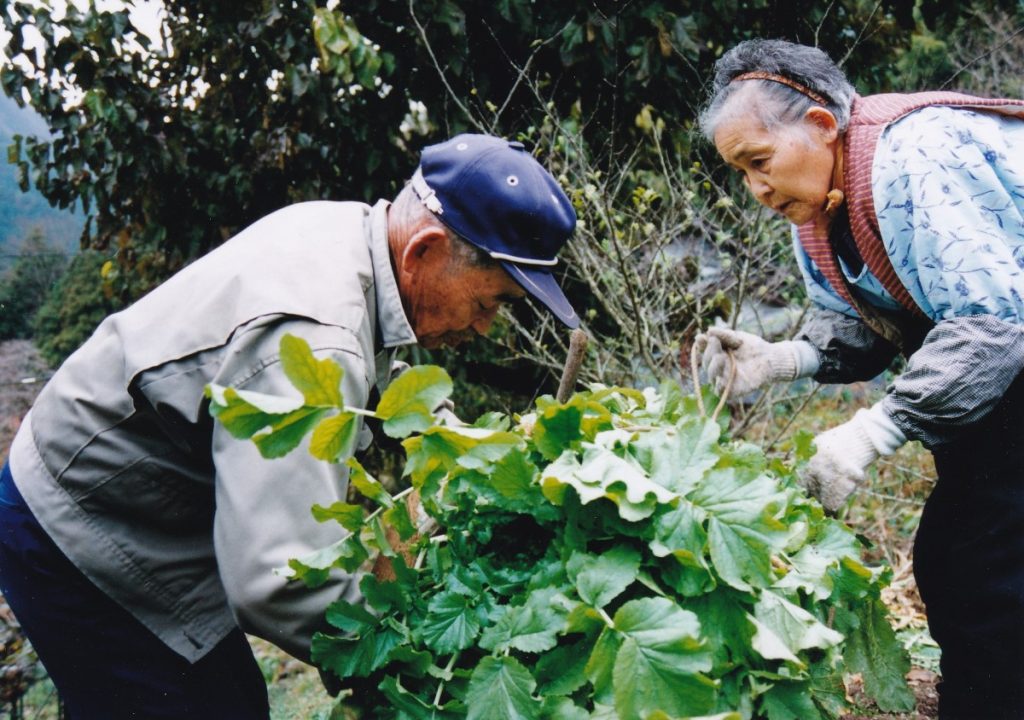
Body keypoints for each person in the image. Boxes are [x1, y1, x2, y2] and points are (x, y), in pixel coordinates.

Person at [0, 133, 579, 718]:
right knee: (210, 708)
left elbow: (369, 361)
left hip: (136, 490)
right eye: (487, 304)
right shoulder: (313, 334)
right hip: (79, 521)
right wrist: (414, 653)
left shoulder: (356, 236)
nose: (483, 328)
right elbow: (277, 581)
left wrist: (469, 447)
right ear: (423, 250)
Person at [696, 39, 1024, 719]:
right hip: (1000, 374)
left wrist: (875, 430)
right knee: (961, 563)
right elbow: (861, 327)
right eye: (740, 172)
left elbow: (992, 323)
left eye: (759, 162)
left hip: (1005, 349)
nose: (756, 188)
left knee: (982, 574)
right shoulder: (817, 205)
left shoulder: (919, 154)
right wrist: (781, 359)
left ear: (820, 125)